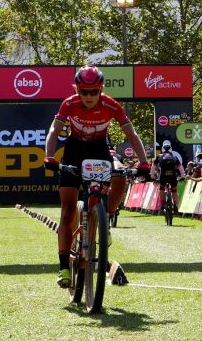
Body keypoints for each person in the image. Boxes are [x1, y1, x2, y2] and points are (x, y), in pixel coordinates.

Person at [43, 65, 150, 288]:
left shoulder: (111, 105)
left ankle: (104, 219)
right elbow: (54, 131)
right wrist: (49, 157)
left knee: (119, 175)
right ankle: (63, 266)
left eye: (94, 92)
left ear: (101, 90)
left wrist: (144, 162)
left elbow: (131, 134)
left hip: (99, 149)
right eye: (84, 92)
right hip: (74, 151)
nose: (89, 97)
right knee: (68, 209)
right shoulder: (69, 103)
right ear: (77, 90)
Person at [151, 140, 185, 213]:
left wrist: (152, 176)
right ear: (171, 149)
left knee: (161, 189)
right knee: (174, 190)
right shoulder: (174, 156)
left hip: (163, 175)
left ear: (162, 149)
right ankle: (175, 205)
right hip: (173, 175)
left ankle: (162, 204)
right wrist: (183, 176)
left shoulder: (159, 156)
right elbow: (180, 167)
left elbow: (153, 166)